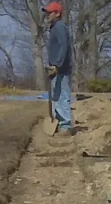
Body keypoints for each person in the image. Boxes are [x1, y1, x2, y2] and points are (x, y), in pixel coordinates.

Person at [43, 2, 73, 136]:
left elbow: (64, 47)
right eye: (47, 13)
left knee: (62, 96)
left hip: (61, 68)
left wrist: (57, 65)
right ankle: (59, 122)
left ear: (57, 14)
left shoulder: (60, 27)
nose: (47, 15)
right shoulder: (54, 27)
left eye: (50, 13)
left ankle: (65, 126)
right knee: (56, 96)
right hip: (55, 67)